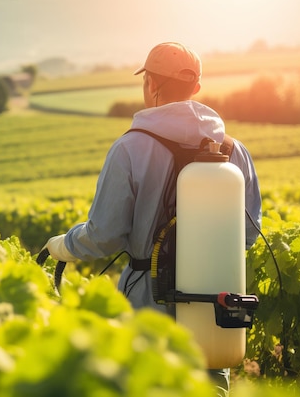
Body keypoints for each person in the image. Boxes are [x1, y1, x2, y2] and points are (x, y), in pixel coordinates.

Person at [43, 42, 262, 396]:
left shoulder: (130, 147)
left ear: (151, 85)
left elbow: (104, 236)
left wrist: (61, 246)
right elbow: (249, 236)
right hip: (214, 302)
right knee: (211, 385)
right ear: (196, 89)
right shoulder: (233, 150)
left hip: (148, 302)